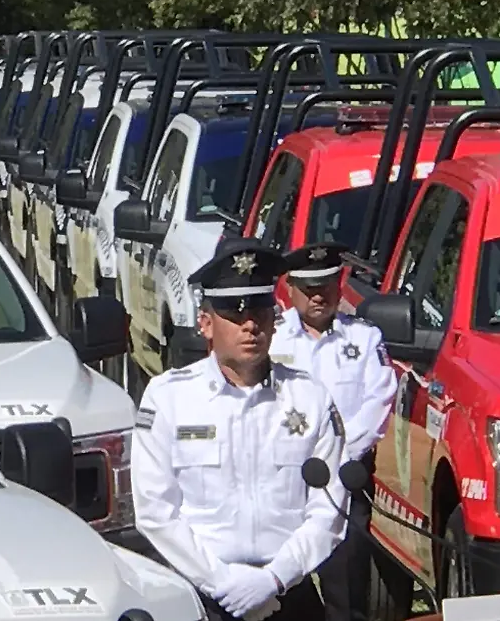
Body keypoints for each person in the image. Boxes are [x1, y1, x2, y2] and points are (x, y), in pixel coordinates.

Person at [132, 237, 347, 621]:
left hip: (288, 593)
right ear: (206, 323)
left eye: (260, 312)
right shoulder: (168, 399)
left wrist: (274, 579)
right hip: (199, 595)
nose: (250, 325)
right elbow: (155, 511)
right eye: (234, 313)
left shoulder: (309, 397)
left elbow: (328, 510)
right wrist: (220, 582)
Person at [269, 241, 397, 621]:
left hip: (344, 476)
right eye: (308, 288)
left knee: (347, 589)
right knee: (282, 589)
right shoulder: (272, 338)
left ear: (339, 284)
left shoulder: (364, 338)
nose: (318, 296)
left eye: (325, 286)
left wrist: (336, 453)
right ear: (290, 288)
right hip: (283, 477)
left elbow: (379, 400)